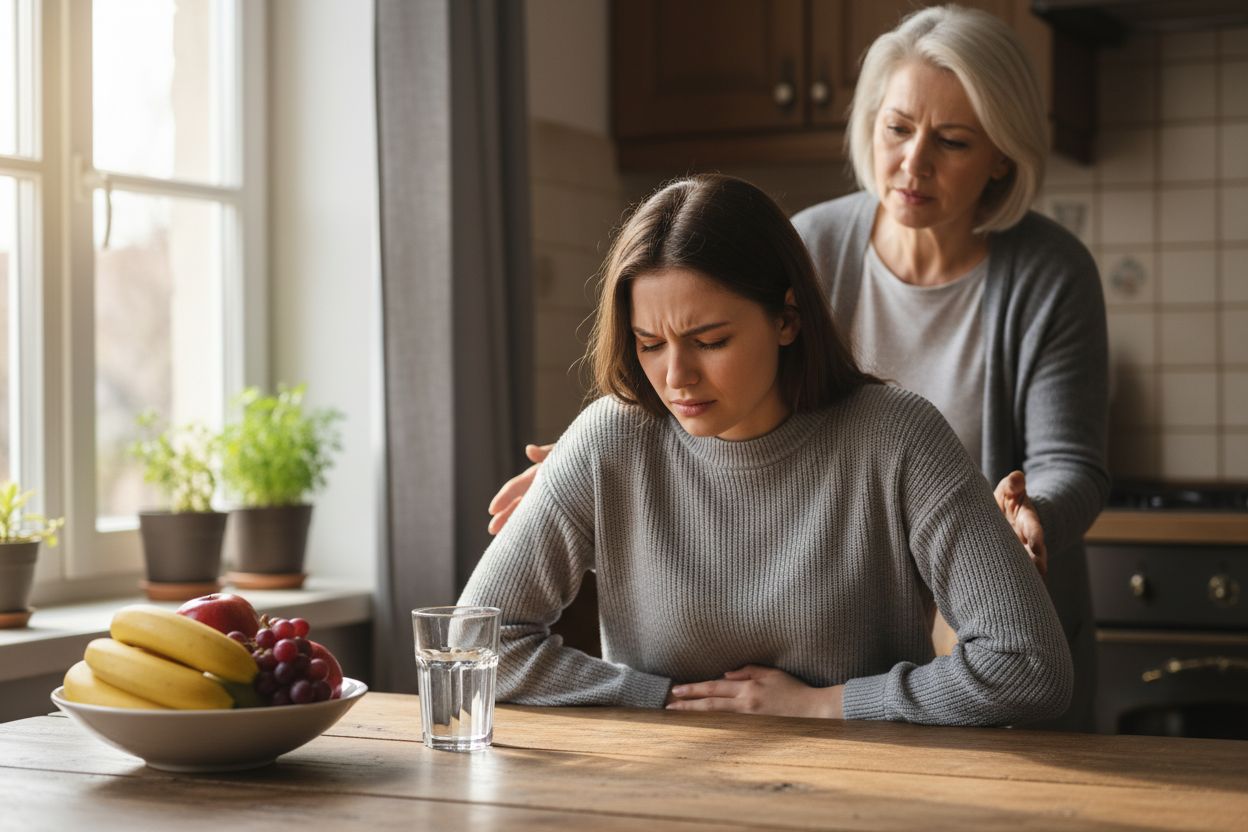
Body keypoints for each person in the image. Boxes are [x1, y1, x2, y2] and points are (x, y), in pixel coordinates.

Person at [487, 5, 1108, 731]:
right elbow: (479, 639)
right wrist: (599, 455)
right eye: (898, 129)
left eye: (953, 140)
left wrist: (1024, 517)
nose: (913, 163)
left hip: (953, 572)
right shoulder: (811, 243)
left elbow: (1066, 468)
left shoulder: (1027, 296)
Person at [461, 173, 1072, 726]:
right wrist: (656, 697)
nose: (676, 377)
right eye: (649, 343)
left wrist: (824, 705)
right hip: (660, 793)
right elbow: (472, 645)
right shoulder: (608, 440)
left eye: (710, 340)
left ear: (787, 320)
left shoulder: (899, 438)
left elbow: (1029, 667)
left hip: (866, 794)